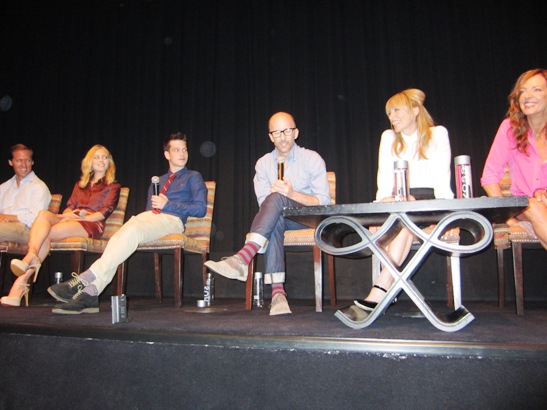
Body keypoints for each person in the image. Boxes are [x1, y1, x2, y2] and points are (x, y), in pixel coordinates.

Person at [47, 132, 208, 314]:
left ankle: (85, 278)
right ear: (167, 154)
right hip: (150, 220)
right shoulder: (158, 181)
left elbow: (200, 209)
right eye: (177, 149)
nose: (182, 153)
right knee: (124, 235)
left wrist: (168, 204)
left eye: (184, 149)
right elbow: (150, 210)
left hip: (173, 220)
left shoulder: (193, 177)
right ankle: (90, 294)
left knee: (133, 230)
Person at [205, 112, 330, 315]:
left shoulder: (312, 158)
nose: (283, 136)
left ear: (296, 133)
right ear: (270, 136)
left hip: (308, 218)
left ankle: (243, 258)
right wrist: (280, 197)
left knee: (278, 199)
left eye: (287, 131)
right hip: (279, 217)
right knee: (274, 214)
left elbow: (323, 203)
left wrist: (291, 194)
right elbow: (266, 205)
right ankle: (278, 295)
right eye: (277, 132)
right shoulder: (263, 164)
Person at [353, 89, 454, 313]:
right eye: (389, 112)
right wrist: (379, 210)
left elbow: (443, 182)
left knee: (405, 226)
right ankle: (391, 287)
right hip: (397, 202)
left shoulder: (437, 134)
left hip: (427, 203)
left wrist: (448, 217)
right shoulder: (388, 137)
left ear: (415, 110)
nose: (392, 116)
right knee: (398, 225)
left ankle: (380, 290)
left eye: (397, 109)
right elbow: (383, 183)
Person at [1, 144, 120, 307]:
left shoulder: (113, 186)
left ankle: (26, 268)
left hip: (91, 225)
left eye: (105, 157)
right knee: (43, 216)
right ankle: (25, 273)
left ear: (109, 162)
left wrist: (79, 216)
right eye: (97, 157)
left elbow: (104, 213)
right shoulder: (80, 184)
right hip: (72, 220)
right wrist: (67, 215)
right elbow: (70, 206)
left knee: (45, 234)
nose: (101, 160)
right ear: (89, 161)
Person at [481, 68, 547, 249]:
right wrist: (508, 218)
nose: (527, 96)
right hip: (525, 207)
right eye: (523, 91)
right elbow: (489, 176)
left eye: (537, 90)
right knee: (533, 206)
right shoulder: (509, 128)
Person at [0, 144, 51, 243]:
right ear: (11, 162)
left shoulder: (38, 186)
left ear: (32, 162)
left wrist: (11, 218)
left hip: (26, 229)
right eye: (19, 160)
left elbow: (37, 219)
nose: (24, 165)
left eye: (27, 160)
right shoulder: (4, 187)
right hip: (4, 226)